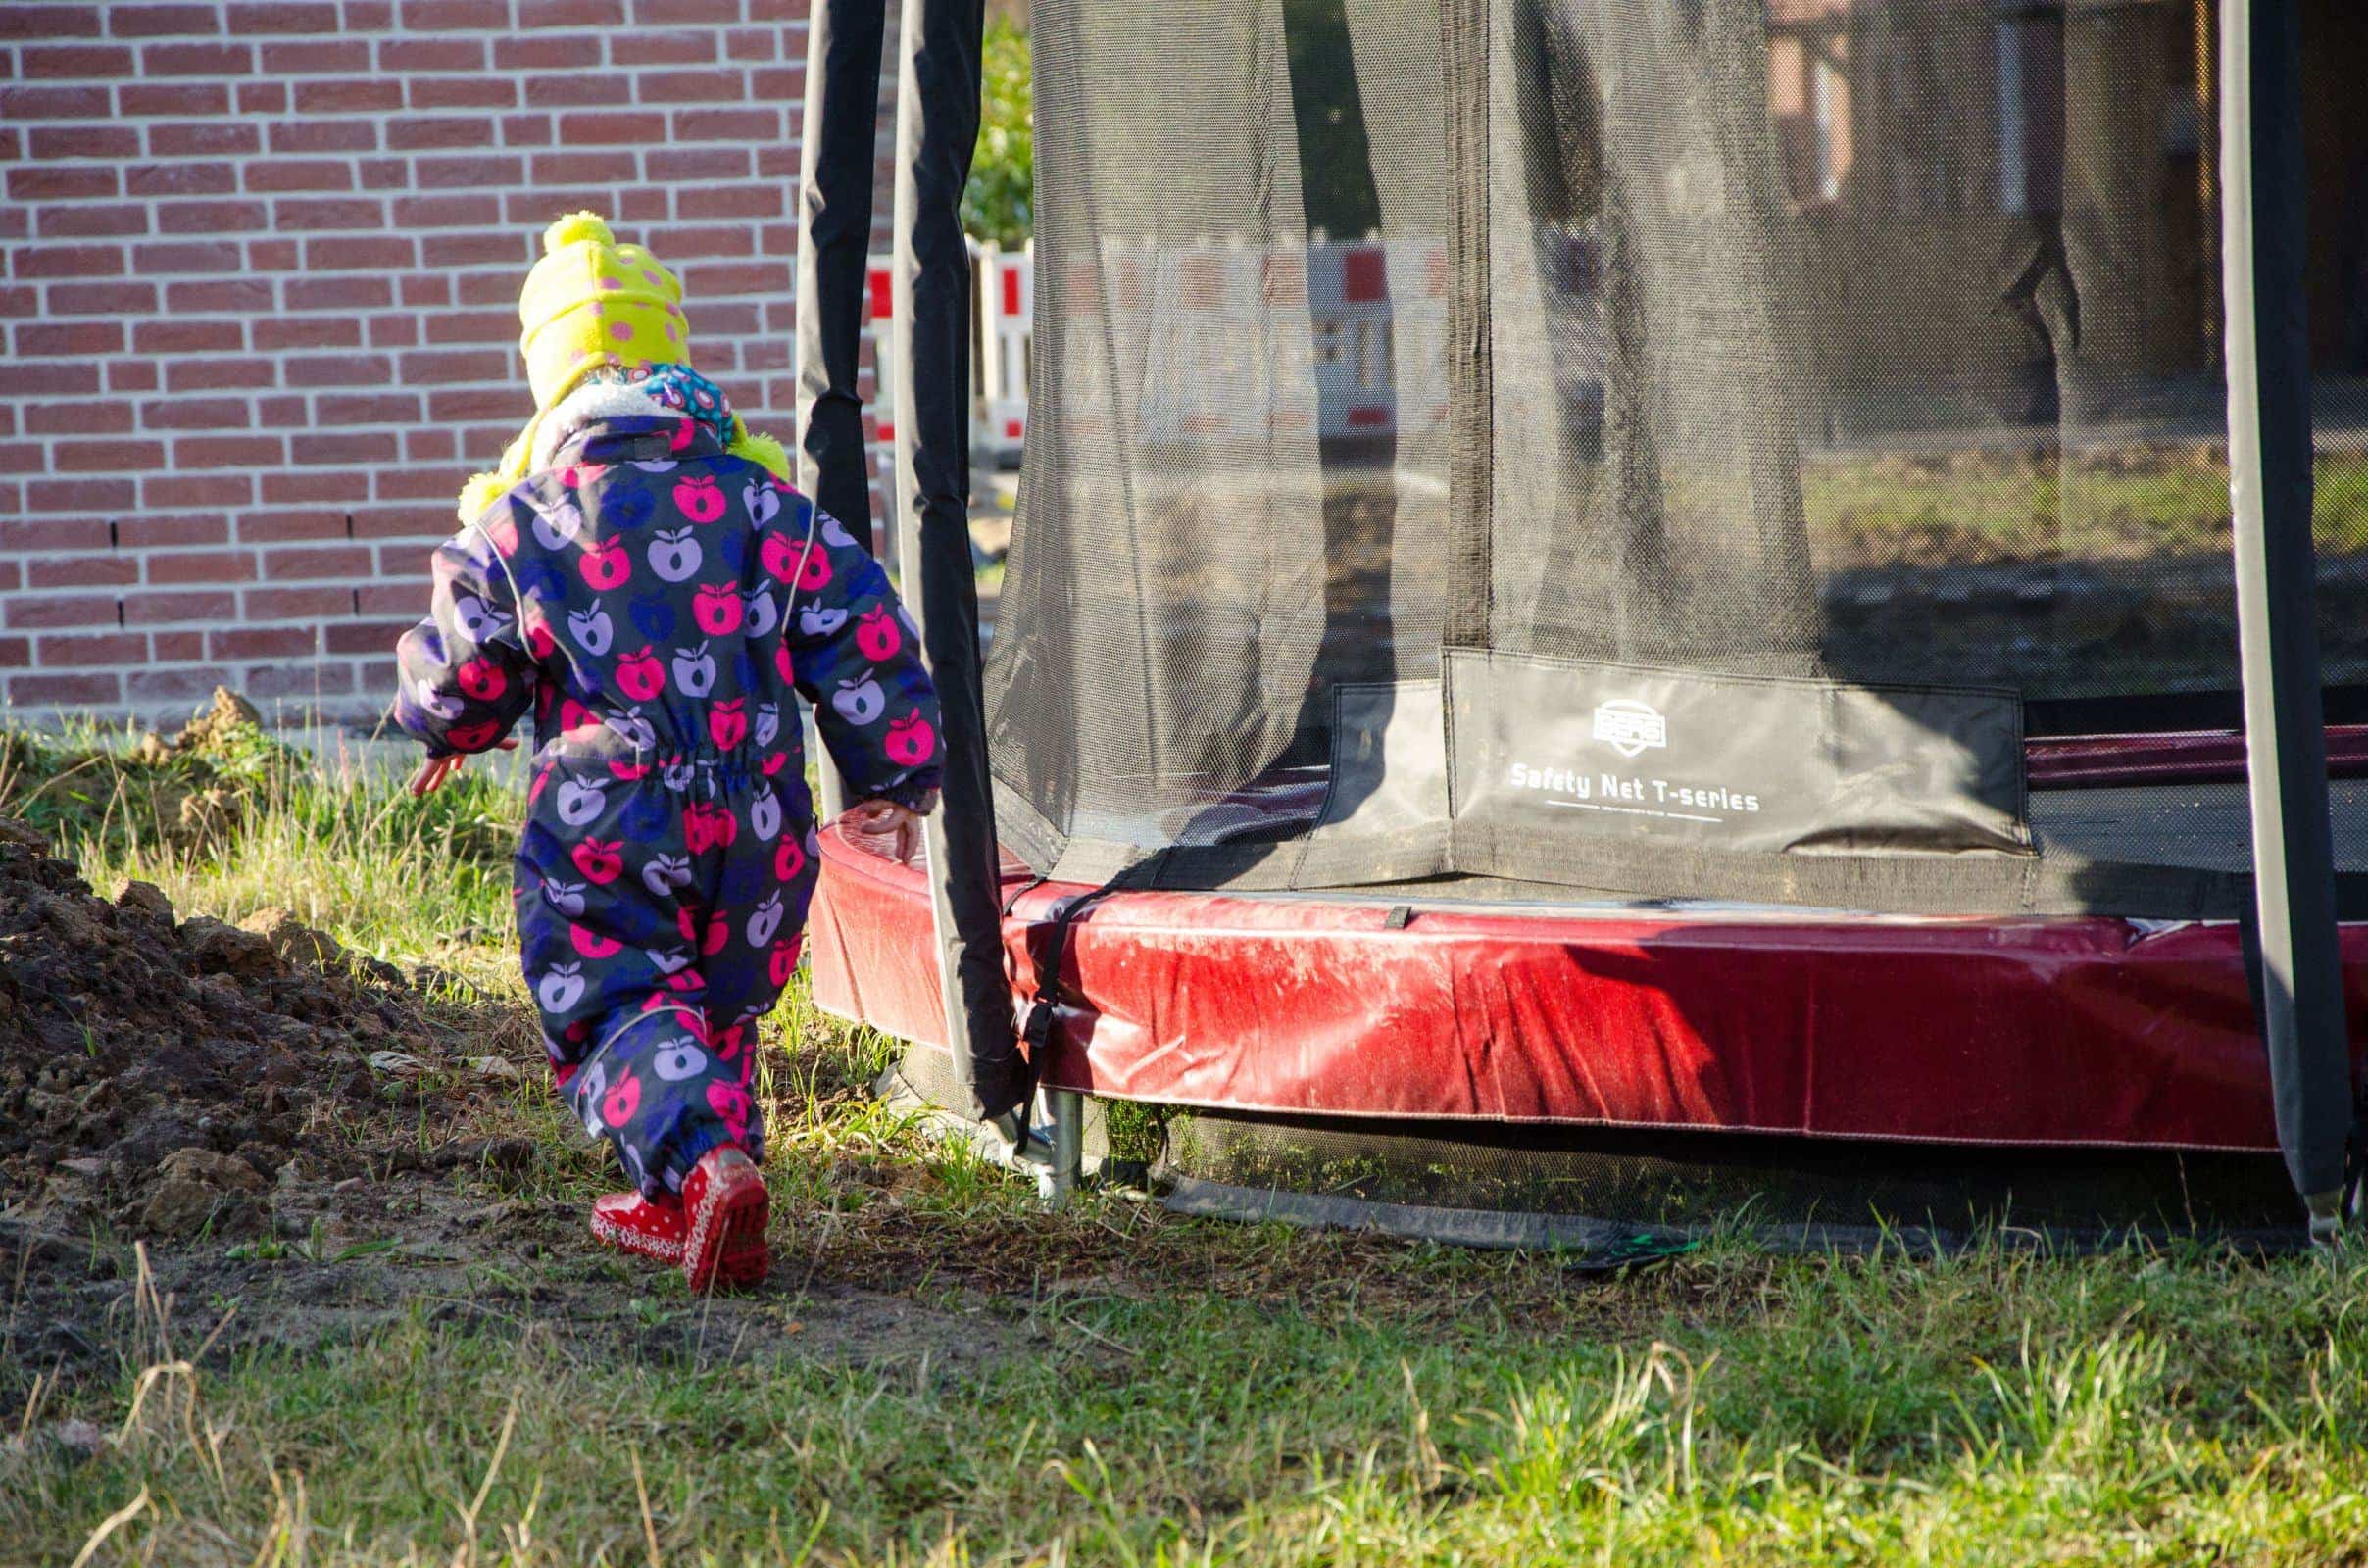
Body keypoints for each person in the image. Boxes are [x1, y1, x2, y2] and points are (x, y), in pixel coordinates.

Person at [393, 213, 943, 1291]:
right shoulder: (765, 507)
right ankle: (681, 1199)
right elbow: (863, 630)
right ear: (673, 366)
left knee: (620, 995)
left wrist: (444, 726)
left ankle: (704, 1162)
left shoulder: (527, 522)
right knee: (713, 999)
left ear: (551, 387)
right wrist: (892, 775)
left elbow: (466, 655)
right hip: (760, 820)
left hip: (607, 813)